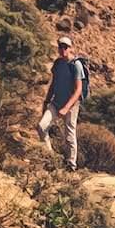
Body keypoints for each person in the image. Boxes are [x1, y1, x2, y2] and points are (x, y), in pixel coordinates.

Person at [38, 35, 85, 169]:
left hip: (71, 105)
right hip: (55, 102)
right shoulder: (58, 64)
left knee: (69, 135)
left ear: (71, 48)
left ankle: (71, 165)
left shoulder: (75, 65)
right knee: (42, 126)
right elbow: (53, 84)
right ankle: (50, 158)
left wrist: (66, 108)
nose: (63, 49)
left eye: (66, 47)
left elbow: (78, 90)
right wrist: (47, 100)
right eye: (61, 47)